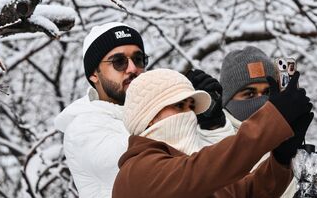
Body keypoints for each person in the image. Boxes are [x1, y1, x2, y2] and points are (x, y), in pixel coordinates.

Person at [53, 22, 233, 198]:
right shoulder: (82, 128)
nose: (132, 69)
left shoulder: (159, 114)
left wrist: (213, 122)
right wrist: (177, 106)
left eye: (138, 59)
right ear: (94, 74)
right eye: (119, 61)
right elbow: (157, 162)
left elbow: (222, 168)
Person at [112, 68, 314, 198]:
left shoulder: (188, 175)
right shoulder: (137, 173)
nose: (189, 115)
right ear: (149, 116)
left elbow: (247, 193)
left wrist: (280, 157)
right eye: (179, 105)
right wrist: (273, 118)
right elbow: (206, 167)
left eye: (192, 106)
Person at [220, 46, 317, 198]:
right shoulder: (216, 151)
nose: (261, 101)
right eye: (250, 94)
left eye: (268, 92)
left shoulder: (305, 158)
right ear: (228, 101)